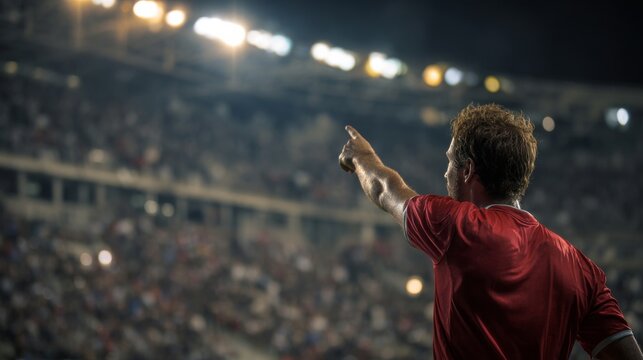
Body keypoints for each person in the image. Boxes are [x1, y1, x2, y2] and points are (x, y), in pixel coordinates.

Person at [338, 104, 643, 360]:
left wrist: (362, 157)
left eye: (449, 162)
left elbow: (383, 189)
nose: (445, 173)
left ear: (468, 170)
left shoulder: (455, 225)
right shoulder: (582, 269)